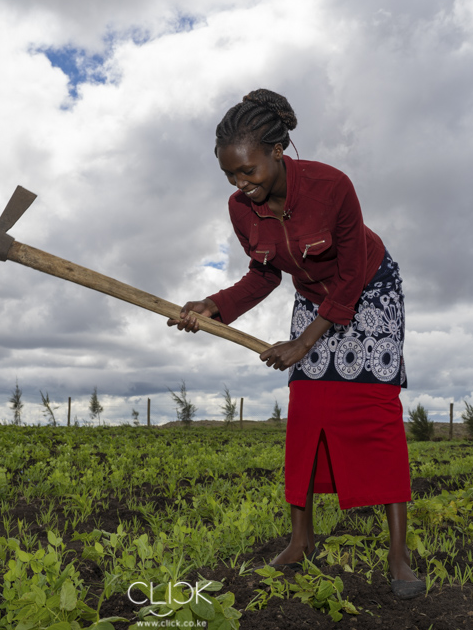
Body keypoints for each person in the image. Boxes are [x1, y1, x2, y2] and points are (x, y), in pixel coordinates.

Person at [169, 89, 424, 600]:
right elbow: (262, 275)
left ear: (278, 151)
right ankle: (301, 540)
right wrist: (213, 306)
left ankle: (397, 556)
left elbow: (350, 274)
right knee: (308, 410)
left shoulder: (332, 188)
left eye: (249, 172)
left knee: (375, 413)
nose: (241, 185)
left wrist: (303, 344)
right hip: (313, 298)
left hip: (370, 289)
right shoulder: (242, 210)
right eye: (230, 176)